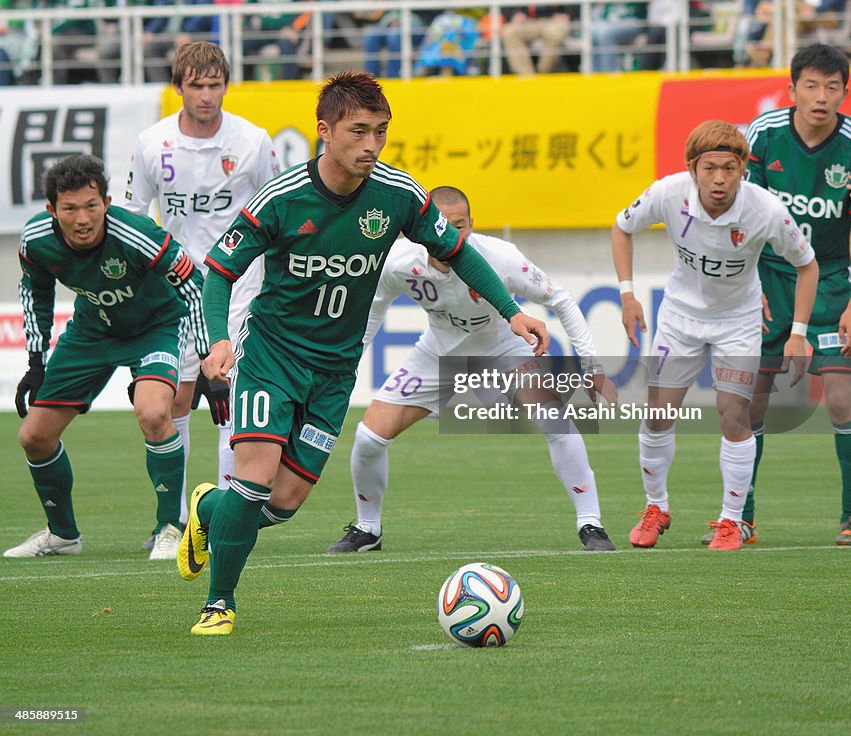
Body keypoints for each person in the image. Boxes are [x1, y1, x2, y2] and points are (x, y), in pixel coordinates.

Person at [177, 72, 549, 634]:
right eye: (359, 131)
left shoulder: (398, 195)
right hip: (271, 356)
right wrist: (218, 341)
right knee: (252, 482)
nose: (372, 145)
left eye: (380, 132)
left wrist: (511, 311)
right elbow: (219, 273)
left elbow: (459, 251)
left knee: (281, 504)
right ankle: (218, 603)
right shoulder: (281, 200)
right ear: (325, 131)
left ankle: (207, 509)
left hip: (333, 372)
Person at [326, 185, 618, 555]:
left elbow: (560, 298)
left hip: (504, 348)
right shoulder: (399, 261)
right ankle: (368, 528)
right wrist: (348, 360)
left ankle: (591, 523)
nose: (452, 235)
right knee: (368, 436)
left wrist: (591, 362)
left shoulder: (500, 257)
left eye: (460, 226)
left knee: (554, 420)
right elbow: (374, 307)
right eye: (442, 226)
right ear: (421, 227)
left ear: (472, 225)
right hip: (437, 352)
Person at [612, 120, 819, 551]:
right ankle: (656, 507)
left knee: (731, 415)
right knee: (657, 414)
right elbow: (622, 227)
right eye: (709, 168)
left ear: (743, 167)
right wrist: (627, 294)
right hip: (680, 318)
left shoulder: (765, 210)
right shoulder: (667, 193)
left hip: (738, 321)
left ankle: (731, 520)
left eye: (729, 167)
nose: (720, 179)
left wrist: (798, 333)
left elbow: (807, 265)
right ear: (692, 168)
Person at [5, 154, 210, 561]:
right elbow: (36, 294)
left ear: (107, 202)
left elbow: (191, 281)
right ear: (52, 210)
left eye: (92, 206)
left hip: (156, 326)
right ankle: (62, 536)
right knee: (33, 436)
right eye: (70, 209)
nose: (83, 218)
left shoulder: (136, 233)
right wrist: (34, 360)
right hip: (91, 330)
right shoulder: (35, 240)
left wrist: (206, 359)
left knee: (154, 414)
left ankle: (171, 527)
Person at [124, 42, 279, 549]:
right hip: (174, 290)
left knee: (230, 402)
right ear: (179, 88)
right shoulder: (152, 143)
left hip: (238, 290)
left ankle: (219, 521)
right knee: (175, 402)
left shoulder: (254, 142)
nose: (207, 95)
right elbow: (131, 216)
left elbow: (276, 212)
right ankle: (171, 523)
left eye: (215, 85)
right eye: (197, 85)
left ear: (226, 86)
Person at [714, 45, 851, 547]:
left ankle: (850, 517)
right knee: (751, 403)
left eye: (833, 87)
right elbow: (738, 215)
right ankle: (741, 516)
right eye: (811, 85)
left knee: (842, 400)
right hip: (769, 276)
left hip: (835, 279)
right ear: (792, 89)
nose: (822, 97)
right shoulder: (763, 134)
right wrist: (745, 282)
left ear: (843, 91)